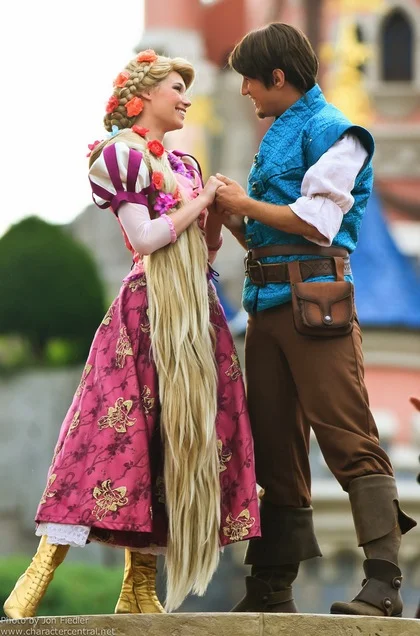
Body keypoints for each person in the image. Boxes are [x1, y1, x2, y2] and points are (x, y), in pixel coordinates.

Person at [3, 49, 260, 618]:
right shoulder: (119, 155)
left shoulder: (185, 164)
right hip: (147, 314)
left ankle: (138, 590)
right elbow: (145, 239)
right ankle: (37, 577)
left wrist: (214, 218)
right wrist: (201, 203)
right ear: (143, 96)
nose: (186, 98)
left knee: (171, 445)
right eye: (176, 87)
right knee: (110, 436)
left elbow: (201, 250)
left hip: (195, 314)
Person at [213, 22, 417, 617]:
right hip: (268, 307)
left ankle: (384, 585)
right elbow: (268, 235)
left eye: (251, 79)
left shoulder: (338, 132)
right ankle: (271, 587)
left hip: (316, 305)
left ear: (278, 76)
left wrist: (244, 203)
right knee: (275, 445)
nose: (245, 89)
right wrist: (232, 216)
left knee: (348, 436)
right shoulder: (279, 132)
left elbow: (318, 223)